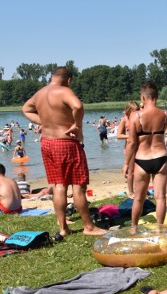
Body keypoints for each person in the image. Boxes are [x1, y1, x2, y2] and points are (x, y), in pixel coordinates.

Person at [22, 66, 106, 237]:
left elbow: (25, 109)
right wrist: (77, 125)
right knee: (78, 185)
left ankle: (63, 228)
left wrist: (43, 121)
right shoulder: (64, 91)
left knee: (59, 185)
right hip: (65, 142)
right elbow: (78, 106)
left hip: (47, 142)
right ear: (69, 80)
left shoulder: (40, 93)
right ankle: (89, 227)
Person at [123, 81, 167, 230]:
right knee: (161, 197)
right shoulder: (165, 114)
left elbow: (131, 143)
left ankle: (134, 227)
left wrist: (126, 164)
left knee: (138, 198)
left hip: (142, 159)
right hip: (160, 157)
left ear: (143, 97)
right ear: (157, 96)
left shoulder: (136, 116)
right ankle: (160, 228)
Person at [117, 101, 140, 198]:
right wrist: (130, 136)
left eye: (137, 111)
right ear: (128, 111)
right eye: (134, 111)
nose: (136, 113)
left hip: (141, 145)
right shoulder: (124, 120)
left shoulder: (140, 118)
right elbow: (118, 135)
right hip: (130, 146)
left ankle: (139, 189)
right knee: (131, 170)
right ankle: (131, 191)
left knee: (140, 169)